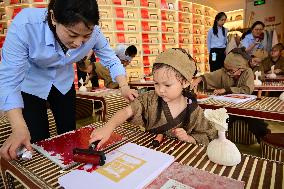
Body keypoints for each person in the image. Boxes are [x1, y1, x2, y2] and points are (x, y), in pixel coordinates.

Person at [0, 0, 138, 161]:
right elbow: (8, 80)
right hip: (31, 84)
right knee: (37, 136)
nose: (79, 43)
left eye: (86, 36)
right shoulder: (26, 24)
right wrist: (18, 127)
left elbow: (112, 60)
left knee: (69, 132)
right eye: (72, 34)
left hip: (63, 83)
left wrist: (124, 86)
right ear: (53, 17)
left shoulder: (95, 32)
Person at [90, 48, 217, 147]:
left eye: (167, 85)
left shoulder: (194, 110)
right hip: (151, 153)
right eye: (156, 83)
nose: (160, 90)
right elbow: (127, 111)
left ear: (185, 82)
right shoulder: (149, 99)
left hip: (180, 159)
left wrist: (189, 138)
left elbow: (208, 134)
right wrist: (108, 127)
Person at [192, 48, 270, 143]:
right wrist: (199, 79)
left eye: (231, 70)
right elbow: (210, 76)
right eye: (227, 70)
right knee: (221, 121)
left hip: (245, 107)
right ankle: (218, 142)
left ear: (241, 68)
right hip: (228, 107)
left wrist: (226, 89)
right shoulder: (225, 71)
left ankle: (266, 143)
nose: (228, 72)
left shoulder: (248, 72)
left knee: (256, 122)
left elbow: (247, 89)